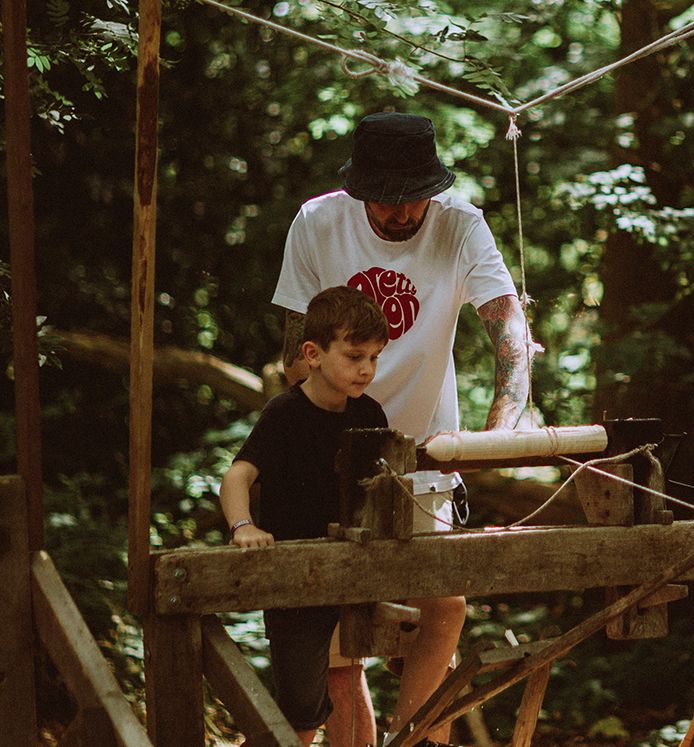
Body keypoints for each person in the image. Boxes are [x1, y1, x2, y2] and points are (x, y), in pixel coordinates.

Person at [273, 111, 532, 746]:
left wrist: (497, 432)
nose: (398, 213)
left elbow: (511, 336)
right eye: (383, 201)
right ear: (359, 190)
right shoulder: (317, 223)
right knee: (335, 627)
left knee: (444, 603)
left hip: (426, 448)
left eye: (412, 197)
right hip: (332, 447)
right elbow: (292, 351)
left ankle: (413, 737)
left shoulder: (462, 224)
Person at [220, 286, 390, 746]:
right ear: (312, 354)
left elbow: (380, 489)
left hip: (350, 575)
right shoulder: (285, 413)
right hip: (294, 579)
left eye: (374, 357)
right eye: (355, 356)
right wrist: (244, 526)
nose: (367, 369)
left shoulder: (370, 414)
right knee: (298, 716)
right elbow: (237, 477)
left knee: (348, 682)